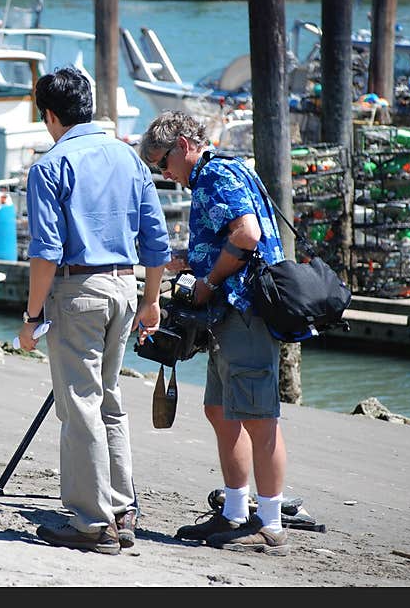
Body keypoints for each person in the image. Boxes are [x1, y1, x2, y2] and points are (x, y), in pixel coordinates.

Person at [18, 67, 171, 555]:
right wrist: (152, 300)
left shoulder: (50, 165)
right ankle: (122, 509)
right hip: (125, 287)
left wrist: (31, 316)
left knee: (80, 405)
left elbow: (45, 250)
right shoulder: (129, 158)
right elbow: (157, 241)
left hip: (77, 288)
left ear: (49, 114)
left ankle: (91, 523)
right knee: (109, 398)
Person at [139, 110, 290, 555]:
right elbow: (228, 237)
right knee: (220, 411)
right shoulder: (218, 171)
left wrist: (206, 283)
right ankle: (235, 512)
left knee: (260, 419)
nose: (165, 173)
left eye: (164, 163)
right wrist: (190, 259)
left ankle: (271, 523)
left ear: (184, 144)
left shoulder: (215, 174)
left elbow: (246, 235)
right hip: (229, 313)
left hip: (245, 310)